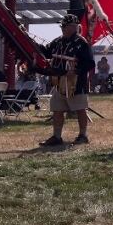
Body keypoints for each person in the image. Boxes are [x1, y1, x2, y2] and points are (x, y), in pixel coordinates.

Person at [38, 14, 96, 146]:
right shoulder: (58, 41)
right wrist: (32, 42)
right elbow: (46, 52)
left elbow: (90, 63)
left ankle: (83, 135)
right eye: (62, 26)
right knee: (57, 109)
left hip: (76, 83)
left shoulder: (82, 43)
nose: (62, 28)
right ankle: (57, 137)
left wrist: (75, 71)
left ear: (74, 27)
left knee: (80, 109)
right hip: (59, 82)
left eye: (64, 26)